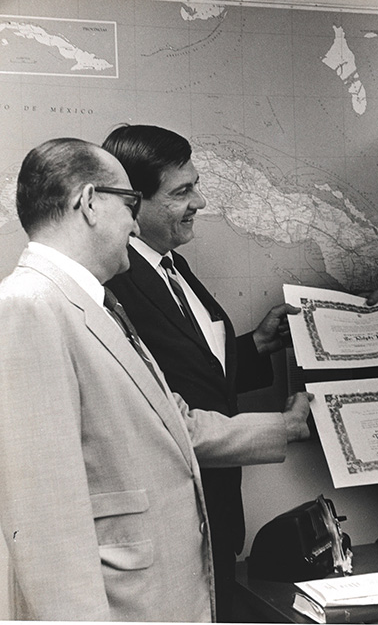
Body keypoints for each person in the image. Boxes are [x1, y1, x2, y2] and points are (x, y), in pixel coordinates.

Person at [0, 137, 312, 621]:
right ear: (88, 204)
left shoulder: (93, 304)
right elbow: (45, 522)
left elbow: (169, 421)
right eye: (128, 204)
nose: (133, 221)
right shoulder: (28, 306)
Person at [99, 123, 307, 621]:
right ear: (133, 203)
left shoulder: (172, 265)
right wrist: (287, 427)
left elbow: (190, 366)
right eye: (182, 192)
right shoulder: (116, 284)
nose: (200, 202)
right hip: (170, 518)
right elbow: (152, 404)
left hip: (214, 509)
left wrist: (256, 345)